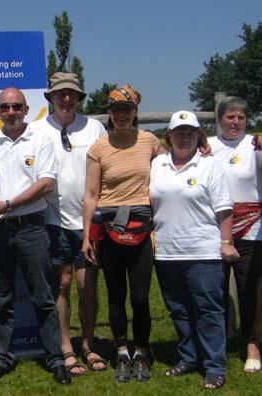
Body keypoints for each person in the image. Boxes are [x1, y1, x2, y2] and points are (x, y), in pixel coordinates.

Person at [0, 87, 71, 385]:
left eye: (17, 106)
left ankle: (55, 358)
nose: (11, 112)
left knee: (43, 297)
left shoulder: (41, 140)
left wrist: (8, 204)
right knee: (1, 298)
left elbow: (46, 185)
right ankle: (3, 358)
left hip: (31, 228)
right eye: (5, 108)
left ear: (27, 109)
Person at [150, 110, 239, 390]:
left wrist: (226, 242)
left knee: (208, 311)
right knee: (178, 310)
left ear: (199, 136)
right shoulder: (158, 164)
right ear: (170, 136)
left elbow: (224, 209)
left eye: (191, 132)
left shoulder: (209, 166)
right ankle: (188, 357)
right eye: (180, 132)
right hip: (166, 252)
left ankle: (215, 365)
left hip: (203, 252)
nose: (185, 137)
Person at [82, 84, 163, 382]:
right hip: (109, 228)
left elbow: (175, 166)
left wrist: (202, 146)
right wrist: (86, 236)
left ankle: (141, 351)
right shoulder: (99, 147)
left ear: (135, 111)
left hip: (142, 227)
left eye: (127, 109)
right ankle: (121, 352)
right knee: (116, 296)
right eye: (116, 109)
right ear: (110, 113)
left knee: (140, 297)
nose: (121, 115)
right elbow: (90, 194)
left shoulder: (150, 142)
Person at [32, 72, 107, 375]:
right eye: (60, 93)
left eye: (72, 94)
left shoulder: (95, 127)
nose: (66, 99)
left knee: (87, 285)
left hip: (90, 220)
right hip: (53, 220)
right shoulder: (37, 130)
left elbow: (111, 163)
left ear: (78, 98)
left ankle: (88, 344)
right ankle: (65, 346)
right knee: (61, 285)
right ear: (50, 97)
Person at [209, 97, 262, 373]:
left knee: (252, 285)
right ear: (220, 119)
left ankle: (252, 344)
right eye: (230, 117)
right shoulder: (209, 147)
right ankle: (220, 340)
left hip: (253, 226)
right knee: (215, 286)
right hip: (216, 226)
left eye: (240, 117)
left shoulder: (255, 144)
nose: (236, 122)